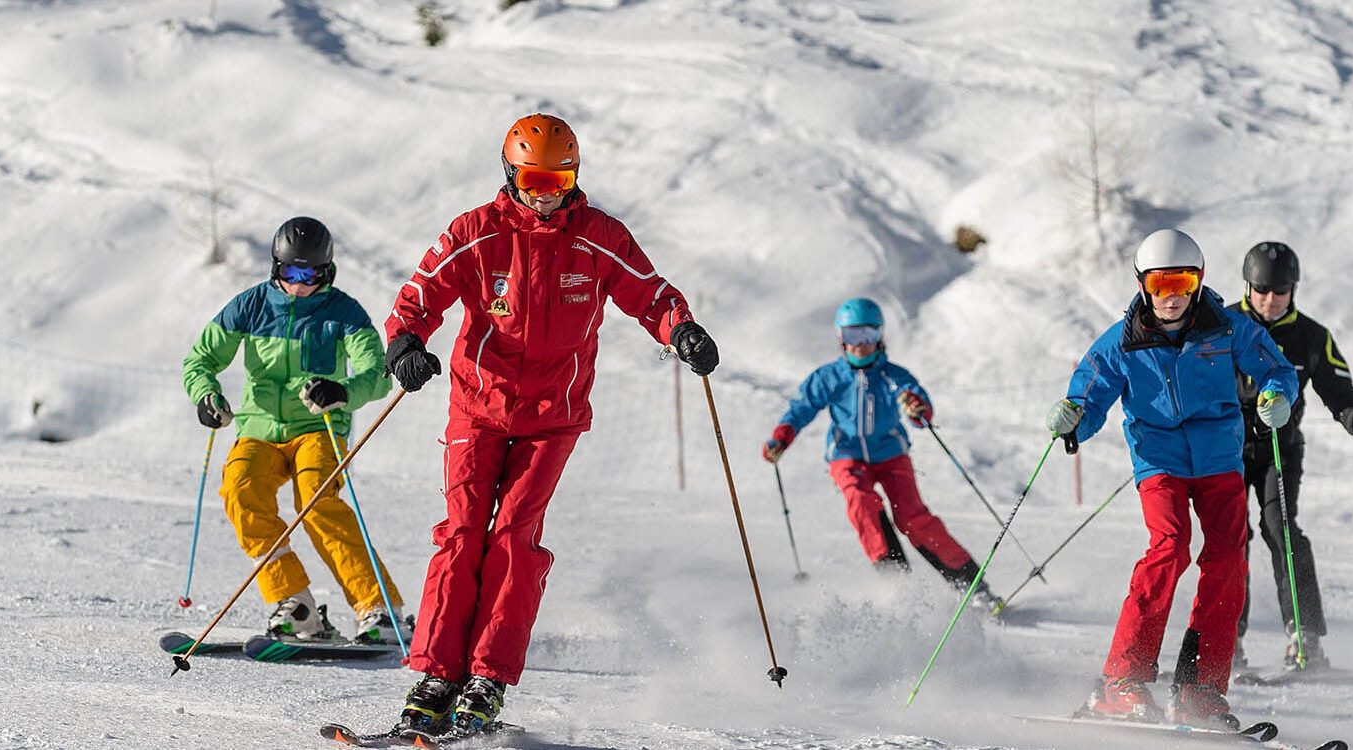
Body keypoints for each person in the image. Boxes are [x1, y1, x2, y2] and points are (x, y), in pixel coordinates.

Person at [380, 113, 718, 738]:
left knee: (513, 537)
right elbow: (420, 292)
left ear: (575, 176)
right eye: (534, 178)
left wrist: (682, 331)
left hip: (551, 418)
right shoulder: (476, 232)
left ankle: (486, 680)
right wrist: (405, 344)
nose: (546, 192)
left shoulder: (597, 236)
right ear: (511, 174)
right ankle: (435, 676)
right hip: (478, 407)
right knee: (462, 534)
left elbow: (650, 293)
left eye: (559, 179)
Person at [1044, 229, 1298, 728]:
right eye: (1161, 283)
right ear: (1144, 285)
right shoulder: (1122, 341)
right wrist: (1074, 414)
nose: (1172, 294)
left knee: (1228, 556)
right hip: (1159, 458)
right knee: (1171, 545)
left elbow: (1277, 370)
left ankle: (1199, 690)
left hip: (1219, 458)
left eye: (1182, 280)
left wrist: (1275, 397)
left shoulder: (1227, 328)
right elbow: (1089, 396)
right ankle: (1123, 681)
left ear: (1198, 281)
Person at [182, 216, 406, 645]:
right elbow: (200, 361)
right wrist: (206, 395)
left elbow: (378, 377)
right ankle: (296, 604)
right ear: (275, 267)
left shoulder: (343, 313)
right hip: (259, 428)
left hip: (318, 429)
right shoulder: (250, 306)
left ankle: (378, 607)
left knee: (317, 504)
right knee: (240, 492)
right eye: (290, 273)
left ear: (327, 272)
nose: (299, 284)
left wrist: (340, 390)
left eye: (309, 275)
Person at [761, 298, 1005, 611]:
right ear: (840, 338)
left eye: (869, 336)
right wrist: (781, 439)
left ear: (880, 336)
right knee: (861, 501)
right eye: (852, 336)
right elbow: (801, 409)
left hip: (891, 456)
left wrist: (917, 409)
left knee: (913, 518)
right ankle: (899, 584)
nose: (860, 345)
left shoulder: (894, 376)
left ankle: (972, 585)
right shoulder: (828, 378)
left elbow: (921, 411)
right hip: (847, 456)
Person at [1230, 241, 1353, 672]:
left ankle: (1306, 638)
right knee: (1230, 535)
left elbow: (1339, 393)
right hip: (1224, 447)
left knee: (1281, 529)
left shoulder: (1312, 337)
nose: (1269, 299)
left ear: (1293, 289)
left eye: (1279, 289)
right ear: (1248, 285)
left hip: (1280, 448)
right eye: (1261, 288)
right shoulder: (1224, 326)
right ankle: (1226, 640)